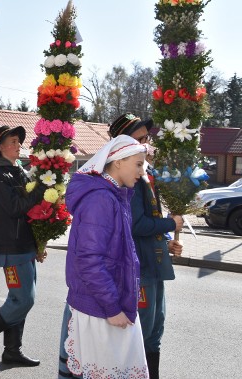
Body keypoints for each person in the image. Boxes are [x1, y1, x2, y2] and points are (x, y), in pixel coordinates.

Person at [60, 134, 149, 378]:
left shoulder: (115, 196)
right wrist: (112, 308)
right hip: (101, 308)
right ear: (118, 162)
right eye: (139, 164)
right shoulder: (100, 198)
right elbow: (89, 260)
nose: (142, 172)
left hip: (111, 303)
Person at [108, 113, 183, 378]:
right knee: (143, 331)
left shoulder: (144, 172)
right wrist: (170, 224)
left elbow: (149, 218)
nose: (146, 143)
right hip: (140, 266)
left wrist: (166, 241)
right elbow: (136, 224)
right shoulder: (127, 176)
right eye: (140, 138)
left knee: (155, 331)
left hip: (154, 262)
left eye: (147, 138)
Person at [0, 125, 45, 367]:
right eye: (12, 141)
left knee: (19, 298)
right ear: (0, 147)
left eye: (18, 141)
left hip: (26, 245)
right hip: (11, 248)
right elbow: (15, 207)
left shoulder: (19, 171)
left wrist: (39, 242)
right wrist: (41, 191)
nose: (18, 145)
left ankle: (12, 350)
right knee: (24, 300)